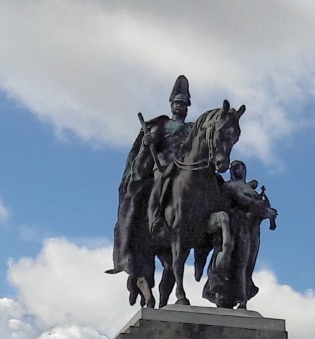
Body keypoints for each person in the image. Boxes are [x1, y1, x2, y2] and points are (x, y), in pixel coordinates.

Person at [111, 75, 195, 290]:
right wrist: (149, 141)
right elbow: (152, 144)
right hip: (164, 165)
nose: (181, 107)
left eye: (184, 104)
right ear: (172, 105)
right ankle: (156, 216)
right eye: (177, 104)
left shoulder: (192, 129)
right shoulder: (163, 125)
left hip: (186, 168)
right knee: (160, 182)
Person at [203, 160, 277, 308]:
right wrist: (265, 210)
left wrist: (269, 214)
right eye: (236, 167)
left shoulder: (250, 189)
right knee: (238, 264)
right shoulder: (230, 186)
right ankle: (238, 299)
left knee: (248, 265)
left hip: (252, 230)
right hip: (237, 228)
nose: (240, 170)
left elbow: (259, 207)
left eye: (242, 167)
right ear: (231, 171)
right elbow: (243, 200)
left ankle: (242, 298)